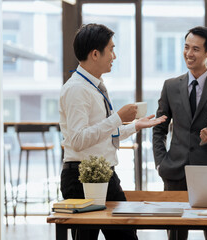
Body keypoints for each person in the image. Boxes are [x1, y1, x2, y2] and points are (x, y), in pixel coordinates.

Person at [59, 23, 166, 240]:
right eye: (111, 49)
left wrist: (134, 126)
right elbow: (78, 140)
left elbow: (102, 135)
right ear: (96, 54)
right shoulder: (77, 89)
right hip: (81, 178)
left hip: (105, 174)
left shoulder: (93, 86)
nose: (114, 56)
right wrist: (117, 117)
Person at [153, 26, 207, 240]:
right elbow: (159, 127)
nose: (188, 54)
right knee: (174, 235)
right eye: (186, 47)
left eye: (195, 49)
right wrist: (160, 162)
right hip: (174, 171)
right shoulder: (170, 86)